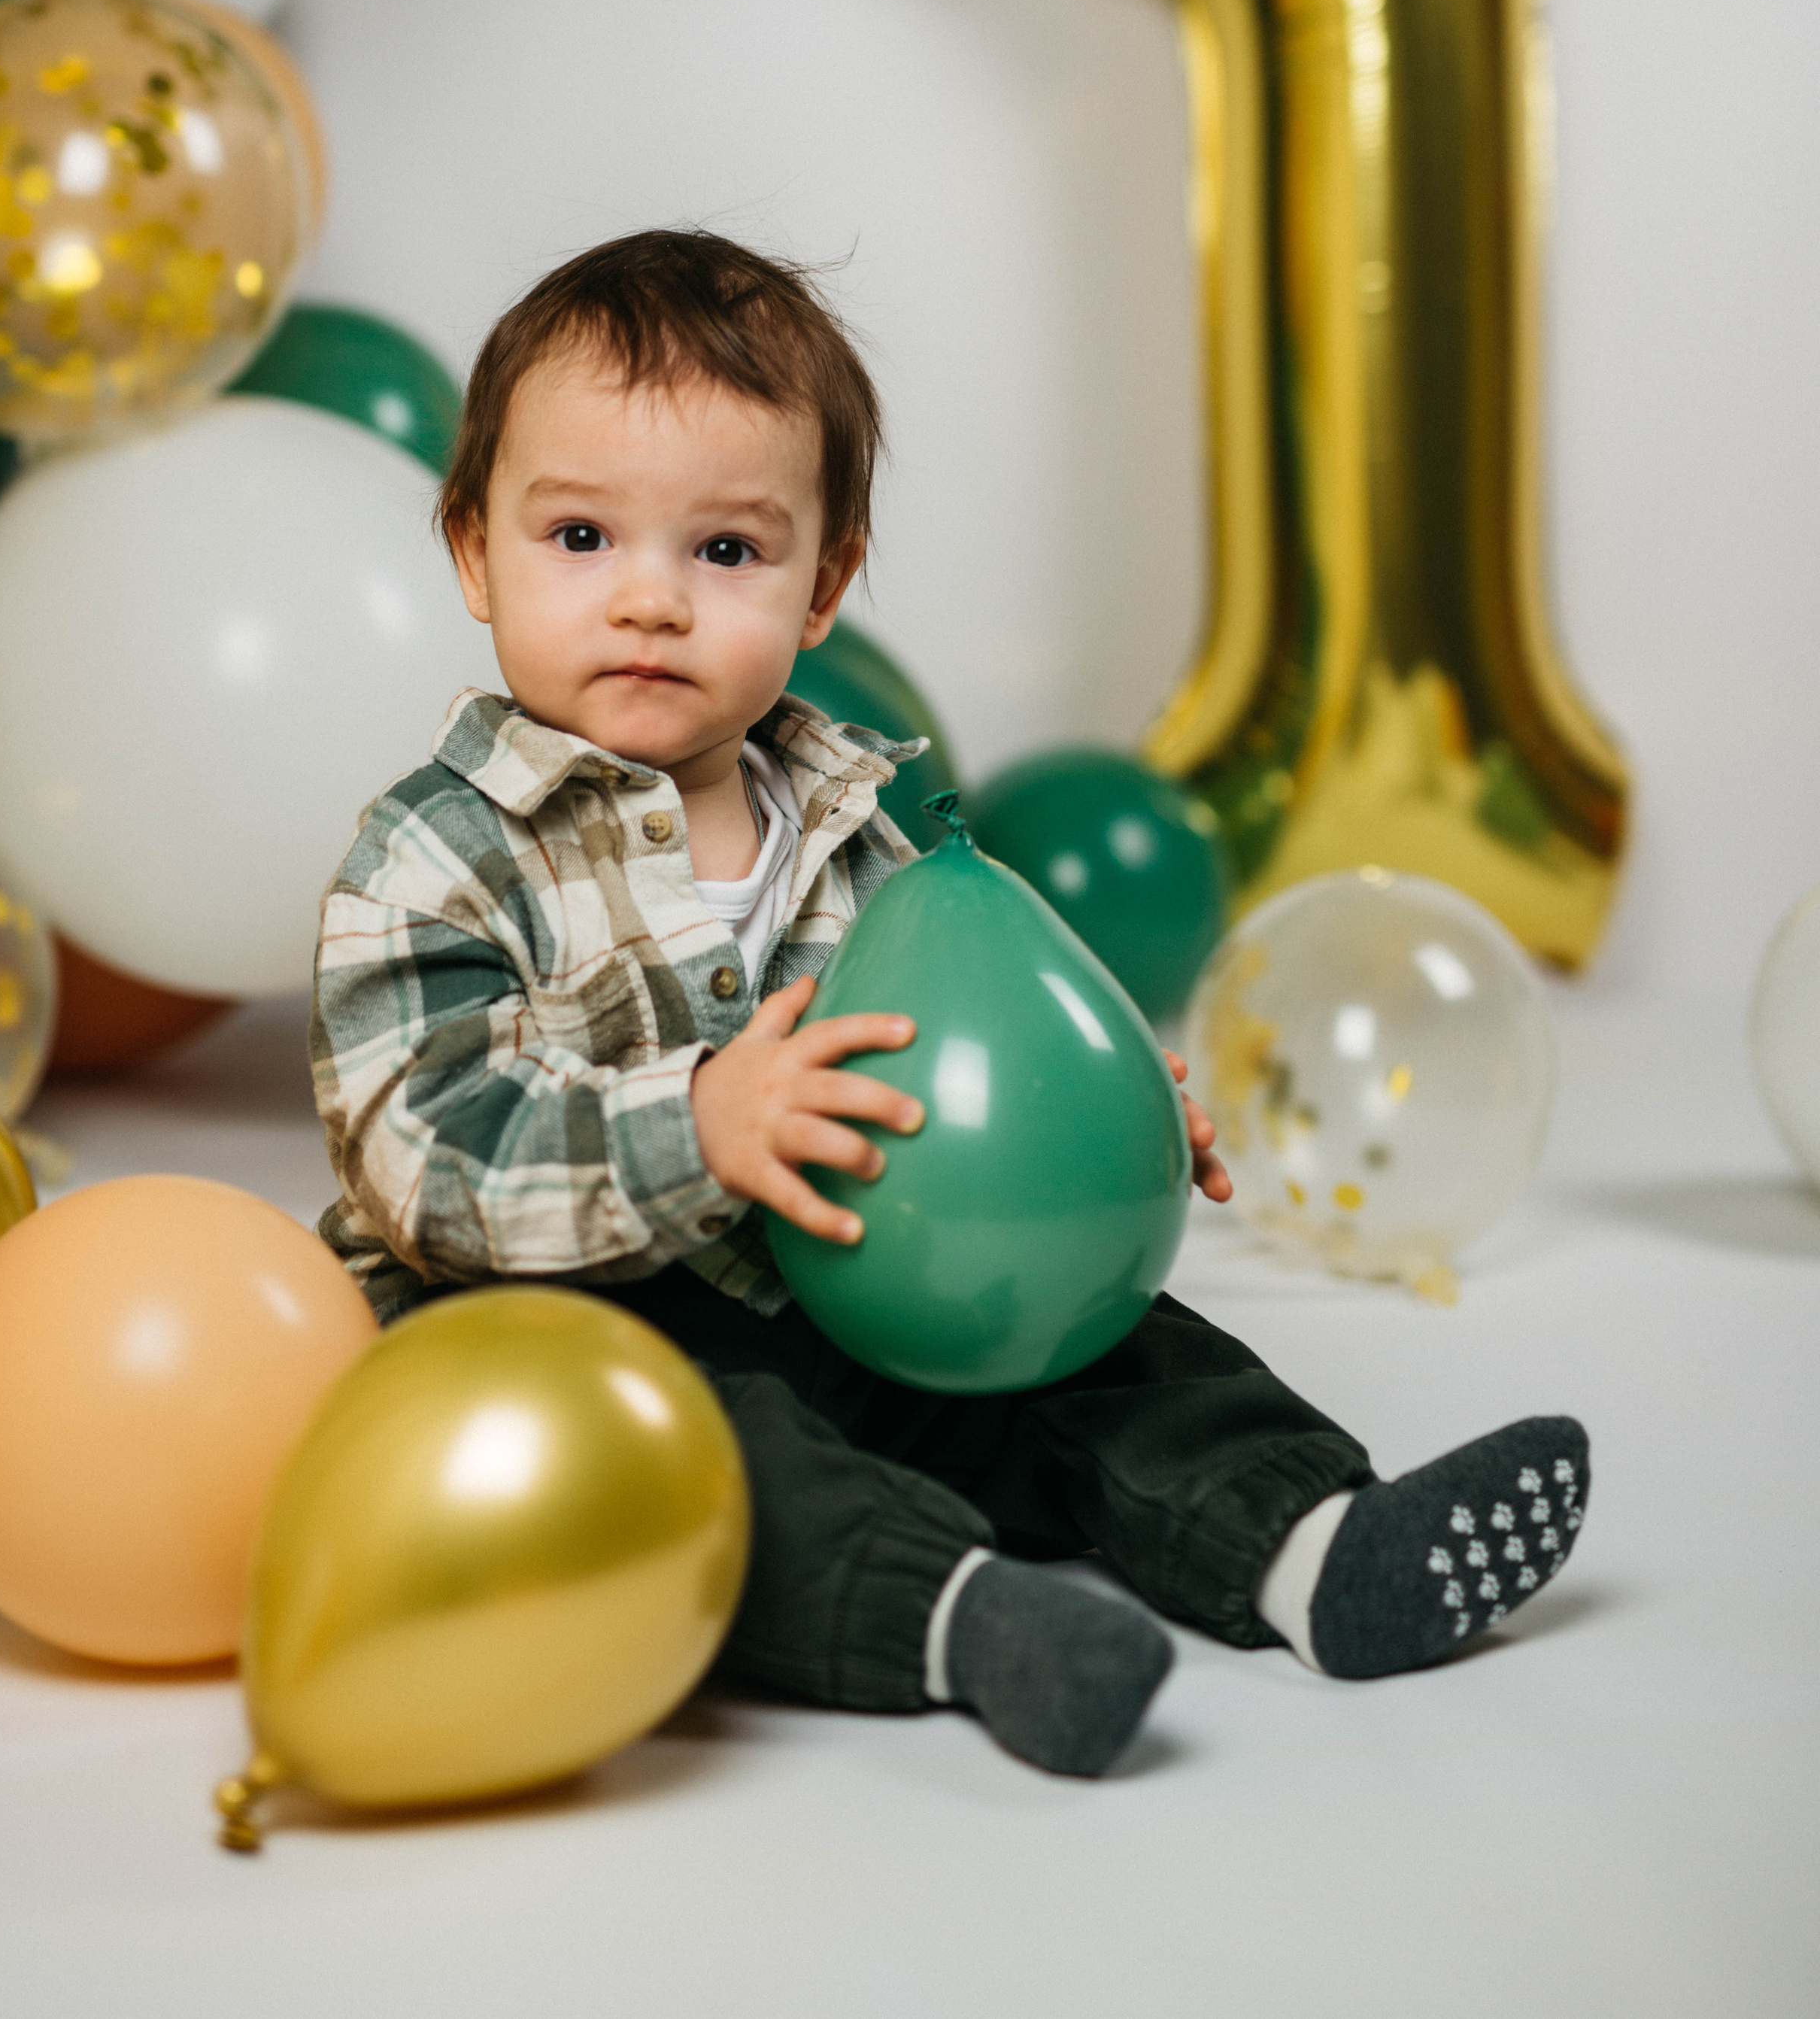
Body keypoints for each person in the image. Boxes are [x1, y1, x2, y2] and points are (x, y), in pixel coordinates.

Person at [310, 229, 1589, 1779]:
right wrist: (697, 1128)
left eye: (724, 552)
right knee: (703, 1466)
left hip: (849, 1284)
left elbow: (959, 1042)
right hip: (562, 1317)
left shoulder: (853, 825)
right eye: (579, 537)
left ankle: (1311, 1544)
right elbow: (418, 1150)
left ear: (822, 582)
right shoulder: (436, 854)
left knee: (1109, 1357)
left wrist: (1094, 1104)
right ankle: (960, 1621)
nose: (648, 601)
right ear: (472, 550)